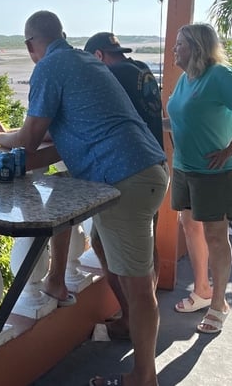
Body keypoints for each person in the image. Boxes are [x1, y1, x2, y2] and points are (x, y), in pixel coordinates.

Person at [0, 10, 168, 386]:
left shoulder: (48, 68)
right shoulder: (84, 60)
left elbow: (31, 140)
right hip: (141, 170)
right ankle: (125, 322)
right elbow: (54, 128)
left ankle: (144, 376)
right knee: (100, 243)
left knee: (139, 283)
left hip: (124, 177)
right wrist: (18, 132)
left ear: (31, 44)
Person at [166, 23, 232, 334]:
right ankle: (202, 290)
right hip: (185, 168)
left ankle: (218, 304)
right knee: (189, 226)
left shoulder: (219, 75)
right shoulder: (187, 78)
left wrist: (230, 149)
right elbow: (180, 118)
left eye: (180, 44)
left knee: (215, 235)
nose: (174, 49)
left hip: (214, 172)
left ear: (196, 47)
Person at [83, 32, 166, 341]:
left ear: (99, 56)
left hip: (130, 171)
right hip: (154, 163)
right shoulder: (140, 69)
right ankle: (143, 312)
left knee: (107, 245)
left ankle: (135, 315)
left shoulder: (112, 76)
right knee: (145, 246)